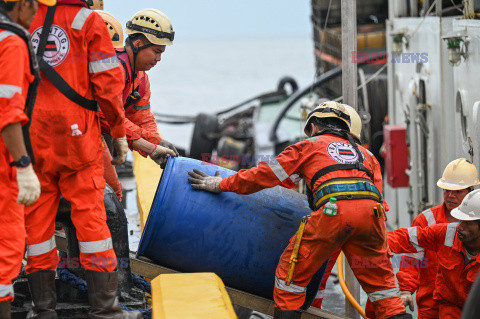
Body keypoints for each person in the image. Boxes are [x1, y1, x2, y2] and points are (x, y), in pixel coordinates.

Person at [188, 101, 410, 319]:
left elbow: (264, 176)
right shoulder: (368, 156)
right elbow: (379, 200)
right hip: (372, 217)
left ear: (314, 127)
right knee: (385, 292)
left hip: (332, 214)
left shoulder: (307, 147)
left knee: (289, 281)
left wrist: (222, 183)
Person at [25, 1, 140, 318]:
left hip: (32, 139)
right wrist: (118, 134)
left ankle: (43, 309)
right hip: (78, 140)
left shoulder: (20, 16)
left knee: (37, 227)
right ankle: (104, 309)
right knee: (92, 223)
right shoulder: (88, 21)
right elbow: (107, 84)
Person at [0, 0, 54, 316]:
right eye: (35, 6)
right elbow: (7, 112)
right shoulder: (12, 42)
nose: (37, 14)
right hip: (4, 164)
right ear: (20, 4)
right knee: (8, 248)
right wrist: (22, 164)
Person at [98, 9, 178, 200]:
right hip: (90, 130)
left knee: (109, 191)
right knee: (110, 190)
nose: (158, 59)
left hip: (105, 134)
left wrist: (157, 141)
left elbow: (143, 118)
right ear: (138, 44)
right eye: (156, 51)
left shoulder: (141, 79)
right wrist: (149, 147)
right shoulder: (115, 69)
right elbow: (108, 117)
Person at [394, 158, 478, 318]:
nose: (450, 196)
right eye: (446, 190)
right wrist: (405, 290)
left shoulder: (475, 225)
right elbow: (412, 259)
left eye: (457, 191)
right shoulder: (426, 220)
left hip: (464, 305)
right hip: (430, 303)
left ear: (471, 192)